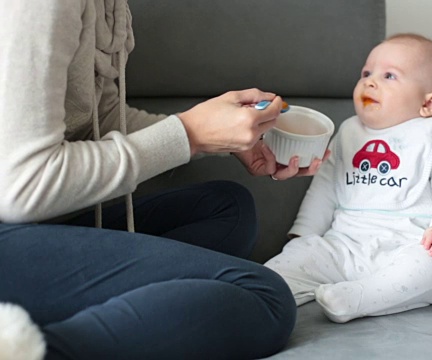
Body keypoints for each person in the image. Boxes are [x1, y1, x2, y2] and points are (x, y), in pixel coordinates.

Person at [0, 1, 328, 359]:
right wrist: (190, 134)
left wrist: (222, 139)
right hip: (14, 225)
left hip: (34, 231)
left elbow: (103, 116)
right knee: (265, 298)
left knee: (229, 209)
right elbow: (22, 188)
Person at [264, 33, 432, 323]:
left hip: (403, 245)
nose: (370, 81)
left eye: (389, 75)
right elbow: (326, 185)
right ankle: (264, 290)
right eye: (366, 73)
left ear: (428, 104)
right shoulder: (349, 130)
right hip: (341, 243)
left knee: (429, 267)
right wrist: (306, 230)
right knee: (299, 255)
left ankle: (355, 298)